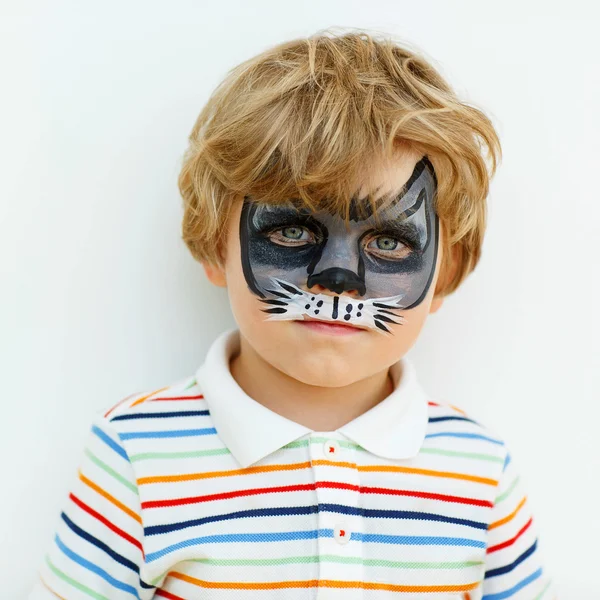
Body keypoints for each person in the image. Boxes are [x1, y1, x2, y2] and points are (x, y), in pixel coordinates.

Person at [28, 29, 556, 600]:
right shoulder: (135, 453)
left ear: (444, 276)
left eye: (390, 243)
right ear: (214, 246)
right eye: (292, 230)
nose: (337, 277)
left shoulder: (478, 469)